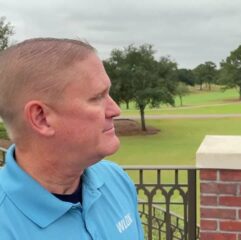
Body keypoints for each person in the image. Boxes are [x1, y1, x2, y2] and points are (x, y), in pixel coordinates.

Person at [0, 38, 144, 239]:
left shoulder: (115, 179)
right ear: (41, 117)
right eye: (97, 98)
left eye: (108, 94)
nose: (115, 110)